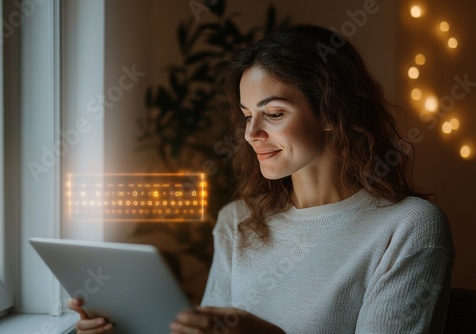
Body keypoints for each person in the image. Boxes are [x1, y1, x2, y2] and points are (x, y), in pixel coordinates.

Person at [69, 24, 454, 334]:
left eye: (273, 114)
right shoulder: (237, 220)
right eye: (246, 114)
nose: (251, 133)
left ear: (332, 114)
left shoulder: (408, 227)